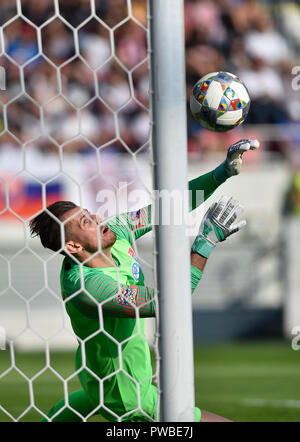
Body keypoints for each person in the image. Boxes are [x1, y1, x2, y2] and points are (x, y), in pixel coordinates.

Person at [29, 139, 259, 422]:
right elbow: (169, 302)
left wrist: (222, 172)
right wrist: (206, 242)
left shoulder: (115, 232)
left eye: (89, 212)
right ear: (74, 247)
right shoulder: (89, 287)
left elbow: (170, 207)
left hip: (98, 380)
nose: (98, 217)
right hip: (127, 395)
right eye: (85, 222)